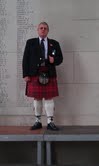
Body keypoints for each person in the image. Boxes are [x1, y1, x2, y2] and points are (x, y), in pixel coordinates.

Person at [22, 22, 63, 130]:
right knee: (37, 98)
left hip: (49, 72)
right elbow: (25, 59)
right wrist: (25, 74)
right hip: (34, 73)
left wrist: (54, 60)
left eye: (45, 28)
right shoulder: (30, 43)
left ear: (48, 30)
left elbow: (60, 59)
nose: (43, 30)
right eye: (41, 28)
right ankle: (37, 121)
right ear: (38, 30)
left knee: (49, 98)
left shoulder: (54, 43)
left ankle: (50, 122)